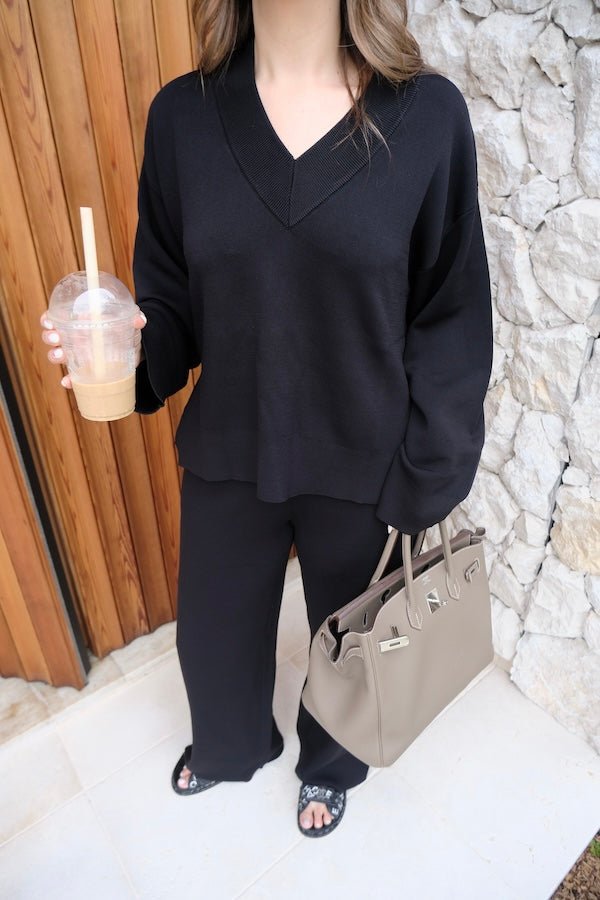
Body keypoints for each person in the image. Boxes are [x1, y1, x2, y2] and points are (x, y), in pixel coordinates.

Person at [40, 0, 493, 838]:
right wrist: (127, 349)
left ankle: (331, 768)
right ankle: (230, 745)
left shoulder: (427, 117)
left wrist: (429, 472)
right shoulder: (183, 118)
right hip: (230, 445)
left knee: (351, 646)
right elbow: (171, 305)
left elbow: (451, 316)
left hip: (365, 464)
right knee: (211, 639)